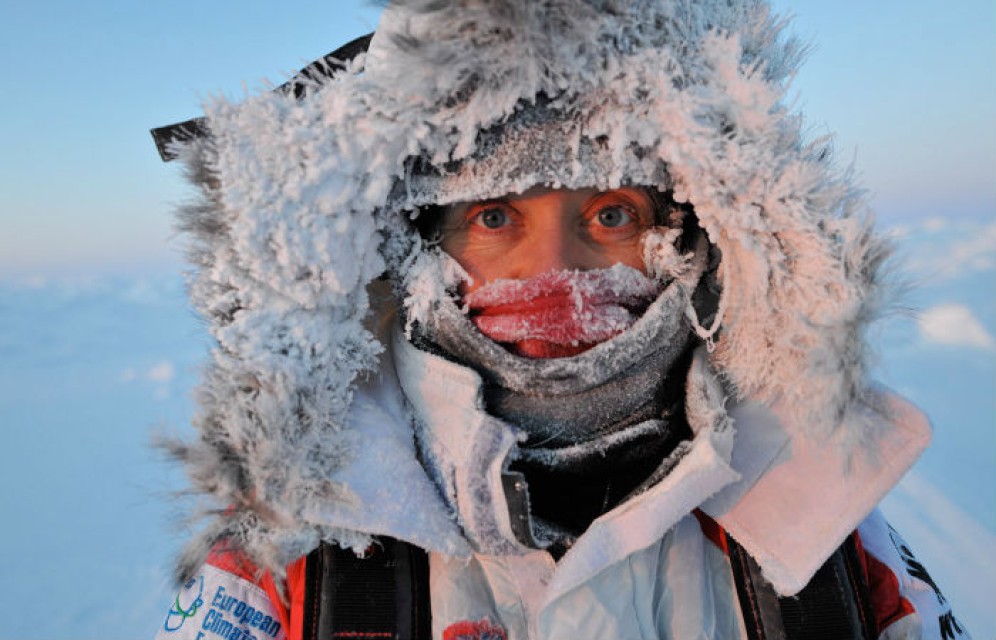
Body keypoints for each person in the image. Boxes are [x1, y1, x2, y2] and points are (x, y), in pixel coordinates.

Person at [150, 1, 968, 638]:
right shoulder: (292, 543)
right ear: (415, 252)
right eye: (497, 219)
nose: (556, 273)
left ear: (690, 237)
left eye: (610, 214)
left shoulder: (814, 514)